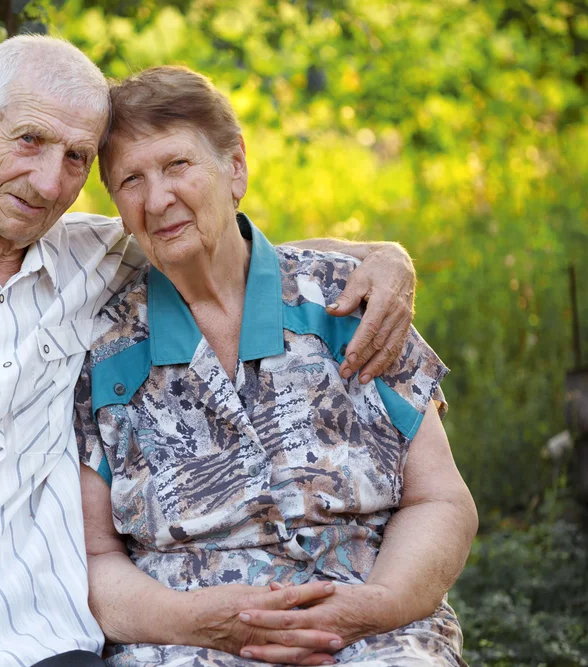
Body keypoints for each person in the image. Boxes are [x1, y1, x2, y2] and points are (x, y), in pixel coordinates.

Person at [0, 38, 421, 667]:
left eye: (76, 159)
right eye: (29, 140)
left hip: (30, 641)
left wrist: (383, 258)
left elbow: (224, 241)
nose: (50, 183)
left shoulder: (96, 254)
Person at [75, 66, 479, 666]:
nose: (157, 199)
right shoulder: (101, 346)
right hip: (187, 645)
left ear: (235, 167)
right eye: (131, 180)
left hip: (374, 634)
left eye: (177, 166)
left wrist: (374, 606)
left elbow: (438, 500)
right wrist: (198, 623)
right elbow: (96, 555)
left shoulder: (348, 304)